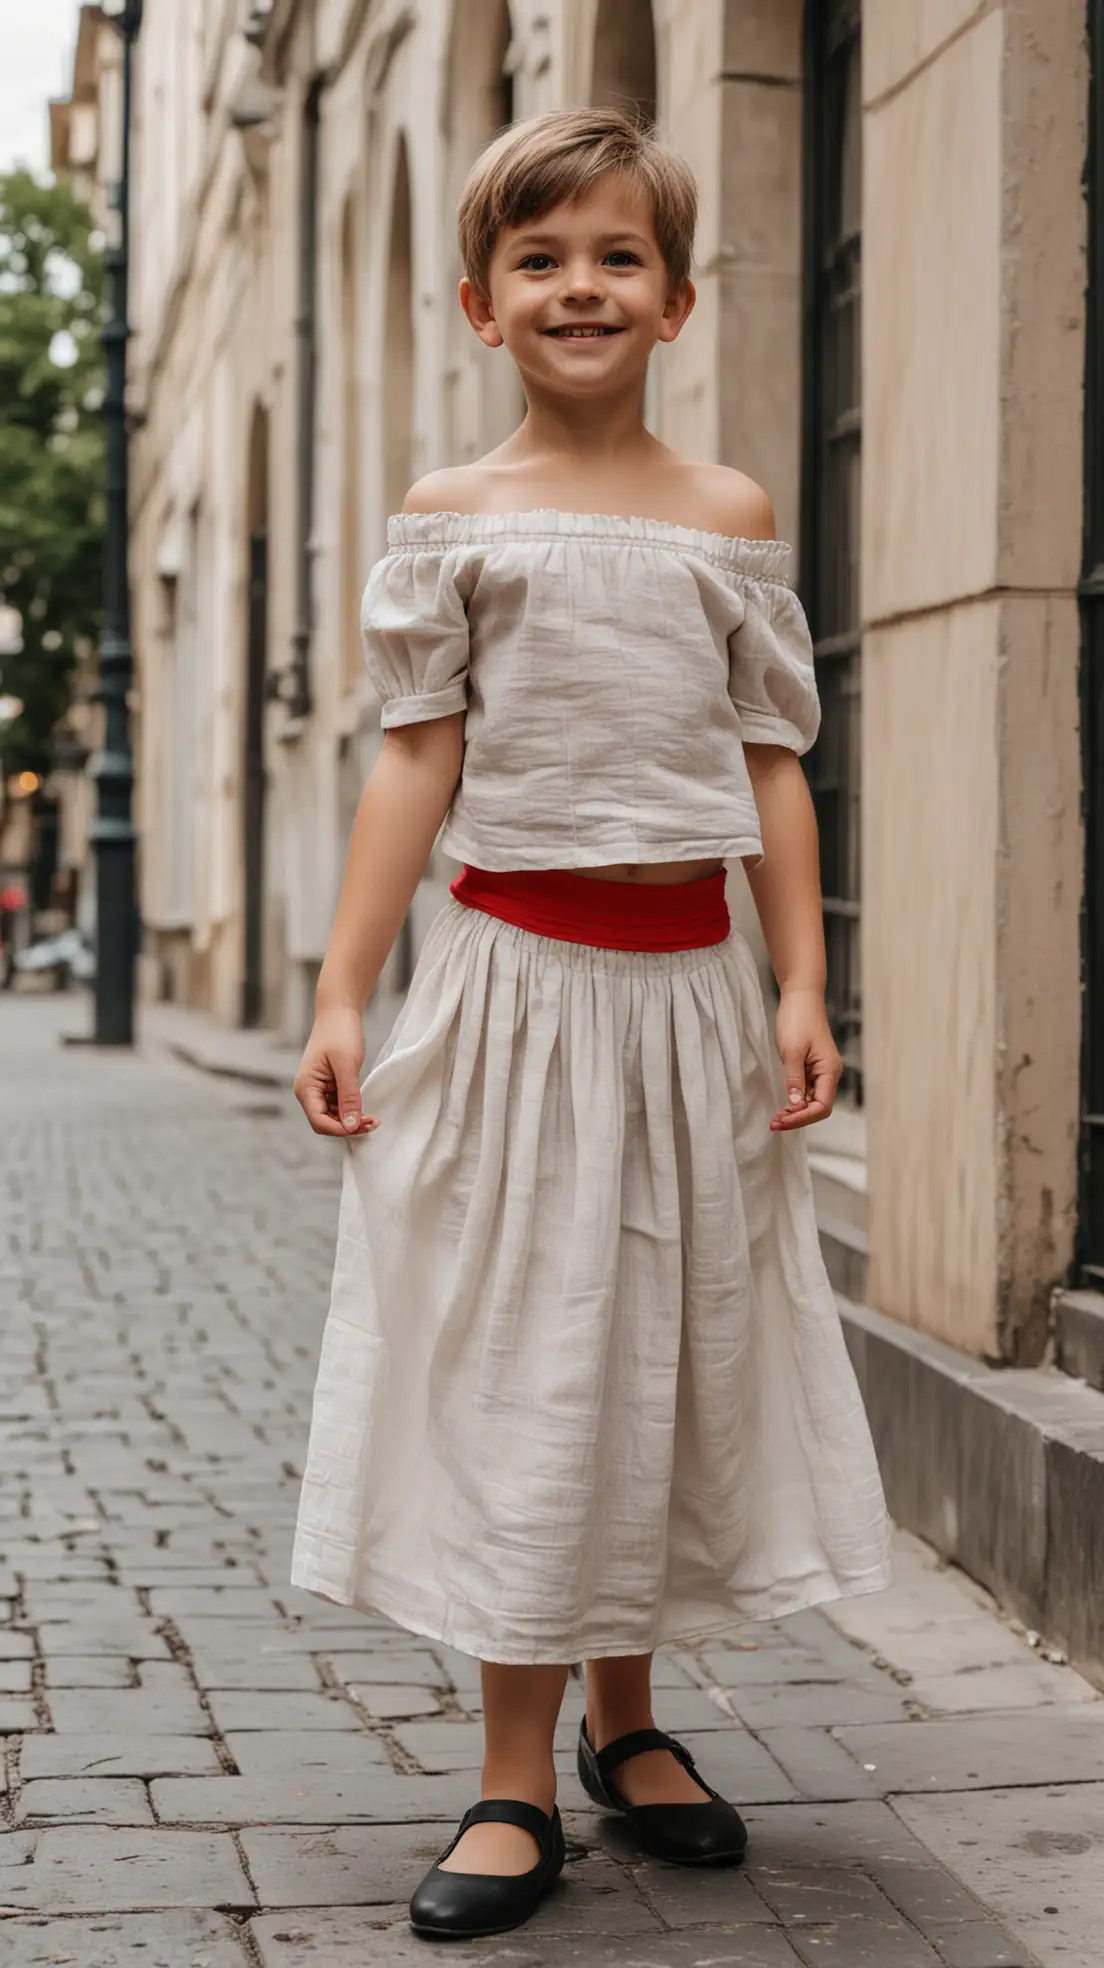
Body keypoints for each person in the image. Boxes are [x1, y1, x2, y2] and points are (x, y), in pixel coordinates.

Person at [291, 107, 891, 1941]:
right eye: (542, 260)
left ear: (679, 299)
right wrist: (339, 984)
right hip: (511, 996)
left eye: (616, 256)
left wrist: (799, 979)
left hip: (691, 1001)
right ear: (482, 305)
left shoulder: (728, 521)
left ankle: (637, 1734)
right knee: (525, 1358)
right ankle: (505, 1772)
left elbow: (774, 769)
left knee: (667, 1345)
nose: (581, 286)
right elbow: (416, 763)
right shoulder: (454, 524)